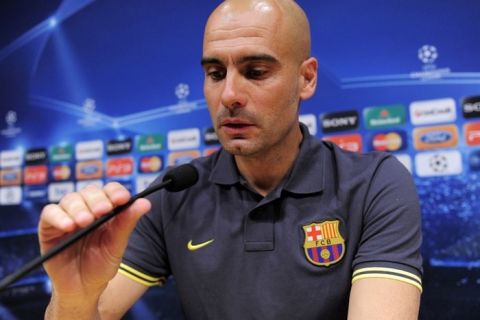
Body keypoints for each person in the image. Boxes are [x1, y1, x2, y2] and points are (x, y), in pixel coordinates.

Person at [39, 0, 423, 319]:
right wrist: (75, 295)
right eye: (215, 73)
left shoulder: (375, 183)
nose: (229, 95)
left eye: (255, 72)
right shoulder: (173, 193)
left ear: (306, 79)